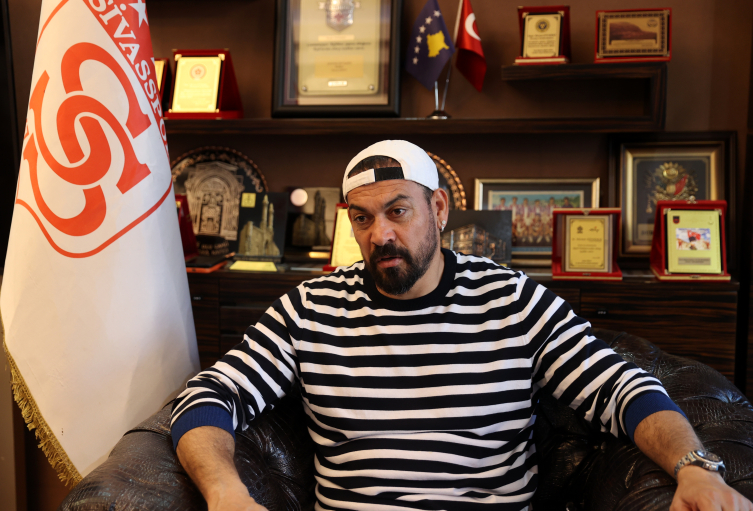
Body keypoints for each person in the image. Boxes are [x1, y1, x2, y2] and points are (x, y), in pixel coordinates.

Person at [170, 140, 752, 511]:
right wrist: (225, 491)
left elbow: (622, 389)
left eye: (398, 210)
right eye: (363, 218)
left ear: (440, 210)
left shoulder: (513, 300)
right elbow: (209, 396)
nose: (380, 234)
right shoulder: (310, 307)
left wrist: (695, 469)